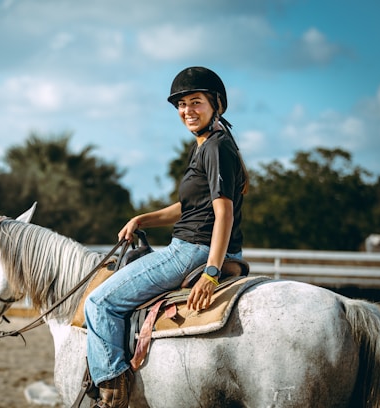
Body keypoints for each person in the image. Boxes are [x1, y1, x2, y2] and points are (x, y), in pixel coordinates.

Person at [84, 66, 249, 408]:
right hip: (200, 245)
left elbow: (224, 214)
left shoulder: (215, 147)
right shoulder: (208, 144)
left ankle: (112, 389)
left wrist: (211, 272)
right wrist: (142, 218)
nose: (187, 110)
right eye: (181, 104)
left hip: (191, 251)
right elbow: (188, 207)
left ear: (215, 104)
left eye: (196, 102)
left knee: (99, 303)